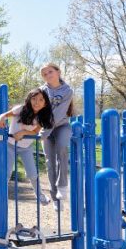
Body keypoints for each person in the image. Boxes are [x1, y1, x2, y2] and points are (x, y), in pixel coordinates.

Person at [0, 88, 54, 205]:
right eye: (34, 99)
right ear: (29, 99)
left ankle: (40, 196)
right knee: (6, 172)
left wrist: (23, 132)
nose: (36, 102)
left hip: (26, 147)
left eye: (41, 100)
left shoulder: (41, 116)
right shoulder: (20, 109)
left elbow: (36, 131)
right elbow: (5, 115)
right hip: (10, 145)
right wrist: (1, 118)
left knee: (32, 173)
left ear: (45, 103)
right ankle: (1, 199)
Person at [40, 62, 74, 209]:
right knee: (49, 162)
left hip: (61, 126)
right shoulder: (41, 90)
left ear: (58, 72)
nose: (48, 75)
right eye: (44, 74)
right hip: (45, 127)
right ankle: (55, 198)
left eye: (50, 72)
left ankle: (62, 186)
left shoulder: (67, 90)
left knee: (62, 149)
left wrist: (45, 131)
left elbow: (60, 113)